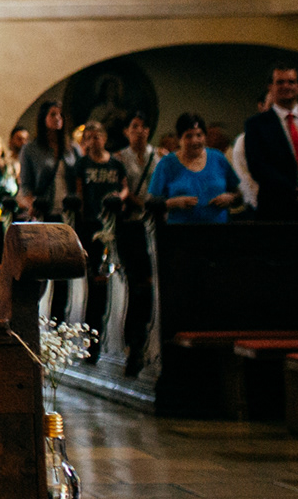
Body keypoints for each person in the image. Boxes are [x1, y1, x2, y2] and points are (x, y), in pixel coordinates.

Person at [71, 123, 127, 354]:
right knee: (95, 279)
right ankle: (93, 335)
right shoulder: (82, 164)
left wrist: (119, 197)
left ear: (105, 138)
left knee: (115, 276)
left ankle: (113, 331)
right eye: (90, 137)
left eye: (98, 136)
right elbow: (79, 193)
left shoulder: (115, 163)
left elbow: (125, 187)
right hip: (92, 225)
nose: (94, 141)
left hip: (114, 224)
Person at [113, 113, 161, 378]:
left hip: (153, 224)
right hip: (132, 225)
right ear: (126, 131)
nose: (139, 131)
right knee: (137, 284)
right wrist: (141, 203)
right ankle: (134, 343)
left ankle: (148, 340)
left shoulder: (158, 156)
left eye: (143, 126)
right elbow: (122, 189)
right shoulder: (121, 158)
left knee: (152, 284)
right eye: (134, 127)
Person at [243, 65, 298, 220]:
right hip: (278, 208)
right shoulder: (256, 125)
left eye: (291, 82)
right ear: (270, 87)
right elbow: (258, 167)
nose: (286, 86)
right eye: (280, 82)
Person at [149, 115, 242, 224]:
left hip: (218, 230)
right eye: (188, 136)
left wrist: (231, 198)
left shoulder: (218, 158)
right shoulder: (167, 163)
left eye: (199, 135)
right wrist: (173, 203)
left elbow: (239, 196)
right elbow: (151, 203)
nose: (195, 141)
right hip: (180, 231)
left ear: (205, 137)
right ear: (179, 139)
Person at [17, 102, 76, 222]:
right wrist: (32, 204)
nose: (57, 118)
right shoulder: (30, 149)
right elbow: (26, 184)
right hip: (44, 209)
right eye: (53, 114)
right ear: (43, 118)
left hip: (68, 211)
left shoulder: (72, 148)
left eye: (60, 115)